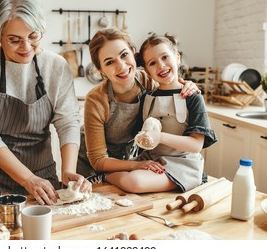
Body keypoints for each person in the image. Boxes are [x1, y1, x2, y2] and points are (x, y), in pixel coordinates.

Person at [0, 0, 91, 205]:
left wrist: (68, 171)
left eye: (33, 37)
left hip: (42, 176)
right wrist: (27, 178)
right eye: (14, 40)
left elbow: (68, 120)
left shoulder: (55, 66)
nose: (26, 47)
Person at [86, 32, 218, 193]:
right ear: (101, 71)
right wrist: (135, 165)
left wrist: (189, 85)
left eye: (124, 55)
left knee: (135, 183)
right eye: (109, 62)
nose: (121, 66)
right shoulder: (96, 100)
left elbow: (170, 84)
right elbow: (98, 159)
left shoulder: (147, 83)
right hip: (103, 165)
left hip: (151, 163)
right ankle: (104, 176)